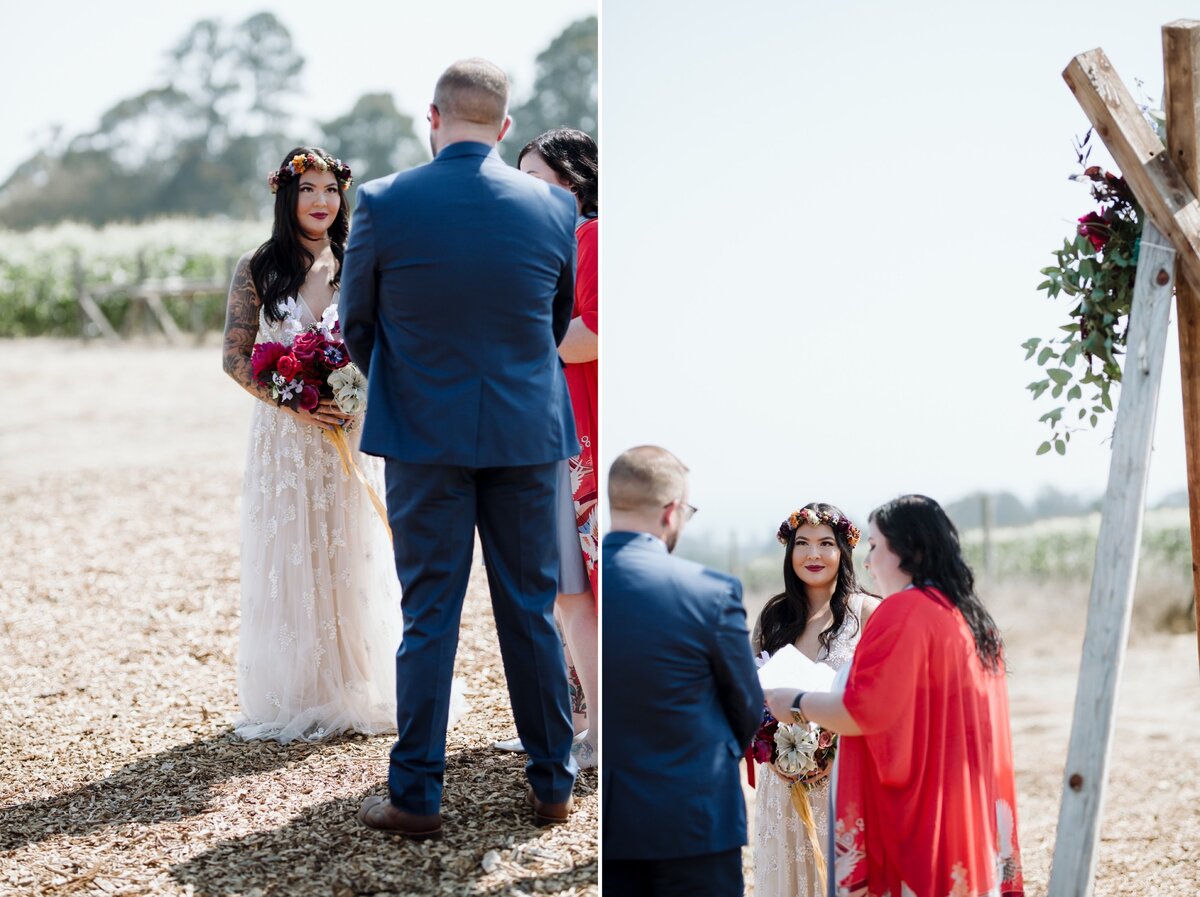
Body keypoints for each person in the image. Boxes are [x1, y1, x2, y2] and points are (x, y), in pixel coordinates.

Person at [340, 59, 579, 839]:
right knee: (532, 612)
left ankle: (415, 794)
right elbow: (554, 319)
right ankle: (552, 782)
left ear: (432, 117)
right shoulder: (553, 205)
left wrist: (413, 388)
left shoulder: (381, 200)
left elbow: (358, 325)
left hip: (422, 436)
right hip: (526, 433)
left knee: (429, 613)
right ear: (505, 126)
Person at [221, 146, 469, 743]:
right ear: (287, 196)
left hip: (355, 429)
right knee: (293, 549)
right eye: (308, 189)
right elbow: (234, 357)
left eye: (331, 189)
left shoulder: (361, 259)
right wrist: (295, 402)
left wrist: (357, 396)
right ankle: (303, 690)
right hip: (286, 439)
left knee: (354, 545)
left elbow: (394, 341)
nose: (321, 201)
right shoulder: (258, 267)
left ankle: (360, 680)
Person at [765, 494, 1024, 897]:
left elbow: (865, 709)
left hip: (922, 812)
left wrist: (795, 703)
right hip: (965, 802)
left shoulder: (902, 612)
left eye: (873, 547)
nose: (867, 562)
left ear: (910, 551)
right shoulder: (969, 616)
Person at [603, 446, 763, 896]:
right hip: (696, 813)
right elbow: (746, 704)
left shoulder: (586, 590)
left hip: (610, 825)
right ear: (671, 512)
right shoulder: (711, 592)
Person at [515, 128, 599, 768]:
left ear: (573, 181)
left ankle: (604, 723)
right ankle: (578, 716)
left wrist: (514, 334)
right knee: (565, 589)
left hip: (587, 431)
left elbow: (590, 334)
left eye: (537, 178)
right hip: (547, 432)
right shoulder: (541, 245)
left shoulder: (592, 237)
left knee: (591, 588)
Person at [752, 504, 878, 897]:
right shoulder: (773, 617)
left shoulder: (869, 612)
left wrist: (831, 752)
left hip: (848, 777)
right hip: (780, 785)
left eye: (826, 544)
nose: (813, 555)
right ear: (789, 554)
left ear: (844, 550)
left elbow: (880, 699)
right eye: (802, 544)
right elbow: (750, 691)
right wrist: (772, 747)